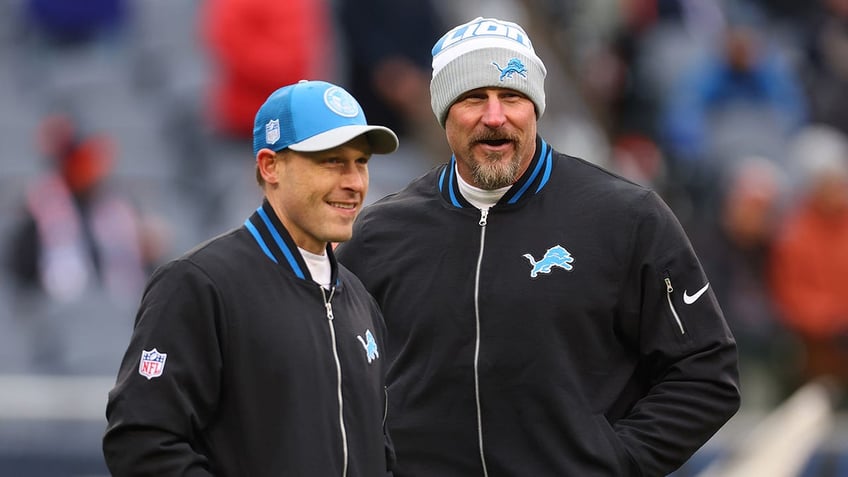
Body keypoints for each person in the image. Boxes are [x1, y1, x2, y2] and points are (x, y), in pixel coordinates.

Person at [335, 17, 740, 476]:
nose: (494, 117)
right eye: (472, 98)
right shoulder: (380, 234)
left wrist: (615, 461)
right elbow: (338, 378)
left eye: (511, 96)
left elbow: (707, 371)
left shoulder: (626, 218)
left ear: (535, 107)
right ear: (443, 110)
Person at [102, 80, 399, 476]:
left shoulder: (360, 299)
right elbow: (141, 442)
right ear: (270, 166)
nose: (354, 182)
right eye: (332, 161)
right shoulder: (199, 283)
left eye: (361, 162)